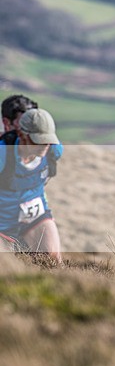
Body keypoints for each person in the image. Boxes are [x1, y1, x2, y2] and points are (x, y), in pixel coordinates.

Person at [0, 108, 63, 263]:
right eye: (38, 139)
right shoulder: (3, 155)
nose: (45, 145)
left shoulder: (53, 150)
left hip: (35, 217)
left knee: (53, 262)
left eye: (48, 139)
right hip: (2, 226)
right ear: (22, 135)